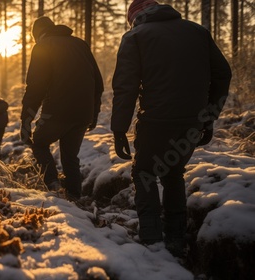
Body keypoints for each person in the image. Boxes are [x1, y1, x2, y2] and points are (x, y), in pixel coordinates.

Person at [111, 0, 231, 257]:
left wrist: (119, 129)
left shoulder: (135, 36)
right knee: (173, 172)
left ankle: (152, 239)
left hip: (156, 121)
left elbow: (126, 87)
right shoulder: (197, 31)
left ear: (135, 18)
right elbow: (223, 74)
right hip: (191, 121)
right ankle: (176, 238)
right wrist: (208, 117)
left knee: (144, 172)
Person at [20, 16, 104, 200]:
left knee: (39, 143)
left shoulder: (43, 46)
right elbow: (98, 83)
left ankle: (53, 186)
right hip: (83, 113)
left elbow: (36, 87)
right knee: (70, 156)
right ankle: (75, 196)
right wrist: (93, 114)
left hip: (57, 111)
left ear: (37, 34)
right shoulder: (80, 45)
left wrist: (26, 121)